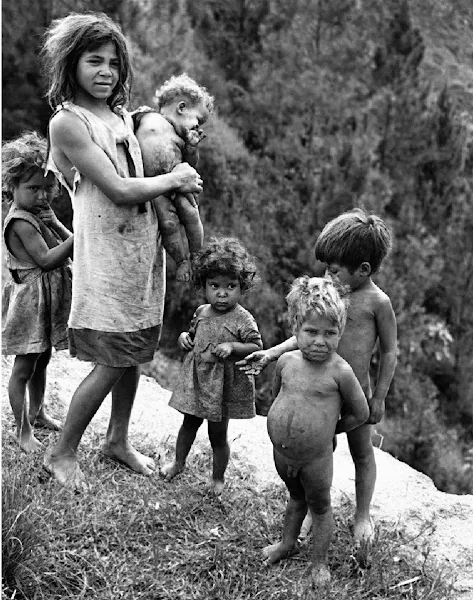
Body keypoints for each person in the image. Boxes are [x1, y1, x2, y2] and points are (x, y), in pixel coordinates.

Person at [40, 11, 203, 490]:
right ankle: (62, 451)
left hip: (140, 251)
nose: (106, 71)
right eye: (94, 60)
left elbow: (148, 162)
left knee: (134, 350)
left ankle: (116, 438)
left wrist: (178, 175)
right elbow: (115, 187)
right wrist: (173, 179)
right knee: (113, 356)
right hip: (108, 256)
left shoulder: (120, 115)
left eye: (114, 62)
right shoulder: (69, 123)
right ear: (71, 65)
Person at [238, 208, 397, 542]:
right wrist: (271, 354)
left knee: (362, 452)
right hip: (319, 390)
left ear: (363, 269)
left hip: (354, 392)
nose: (326, 274)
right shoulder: (329, 294)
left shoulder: (377, 303)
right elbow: (306, 335)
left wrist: (379, 396)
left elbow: (388, 351)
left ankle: (362, 514)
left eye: (334, 269)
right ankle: (313, 505)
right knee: (317, 450)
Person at [264, 276, 369, 586]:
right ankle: (287, 543)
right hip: (283, 455)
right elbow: (276, 395)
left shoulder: (340, 371)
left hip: (315, 459)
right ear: (296, 329)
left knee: (320, 507)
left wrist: (332, 430)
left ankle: (319, 563)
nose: (320, 341)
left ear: (341, 332)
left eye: (330, 333)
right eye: (311, 332)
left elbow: (361, 412)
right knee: (295, 499)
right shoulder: (286, 361)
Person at [160, 237, 263, 493]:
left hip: (222, 386)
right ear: (203, 286)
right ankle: (178, 463)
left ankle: (217, 479)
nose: (222, 293)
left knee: (217, 435)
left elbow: (256, 346)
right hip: (198, 381)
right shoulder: (202, 312)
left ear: (242, 287)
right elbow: (193, 335)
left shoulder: (242, 319)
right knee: (189, 424)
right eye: (214, 285)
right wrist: (185, 338)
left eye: (231, 286)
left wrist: (233, 347)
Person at [2, 131, 74, 453]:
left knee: (41, 360)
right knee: (24, 366)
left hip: (45, 301)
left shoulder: (39, 213)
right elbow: (46, 260)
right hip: (31, 303)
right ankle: (22, 429)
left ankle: (38, 411)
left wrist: (63, 228)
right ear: (11, 186)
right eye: (33, 189)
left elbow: (65, 243)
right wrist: (79, 237)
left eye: (48, 189)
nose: (42, 196)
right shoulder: (20, 221)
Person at [133, 73, 214, 282]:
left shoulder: (182, 137)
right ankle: (181, 261)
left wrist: (192, 147)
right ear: (181, 108)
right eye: (198, 120)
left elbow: (190, 165)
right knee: (168, 225)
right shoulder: (147, 117)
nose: (199, 127)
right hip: (154, 186)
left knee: (190, 214)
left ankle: (196, 256)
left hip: (178, 184)